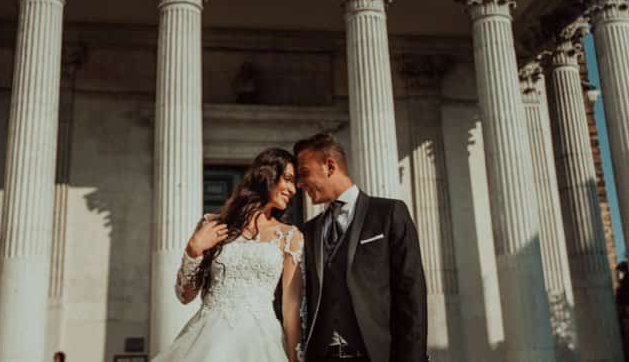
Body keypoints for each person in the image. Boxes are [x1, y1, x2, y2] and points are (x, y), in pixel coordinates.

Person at [153, 147, 304, 362]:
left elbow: (291, 307)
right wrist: (193, 250)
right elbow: (184, 296)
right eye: (288, 179)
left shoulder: (290, 236)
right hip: (207, 338)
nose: (293, 189)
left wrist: (294, 357)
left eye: (295, 182)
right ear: (267, 175)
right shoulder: (212, 225)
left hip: (261, 342)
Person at [294, 133, 428, 362]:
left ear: (329, 166)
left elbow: (411, 292)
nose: (299, 184)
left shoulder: (388, 213)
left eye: (304, 173)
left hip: (376, 355)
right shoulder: (308, 231)